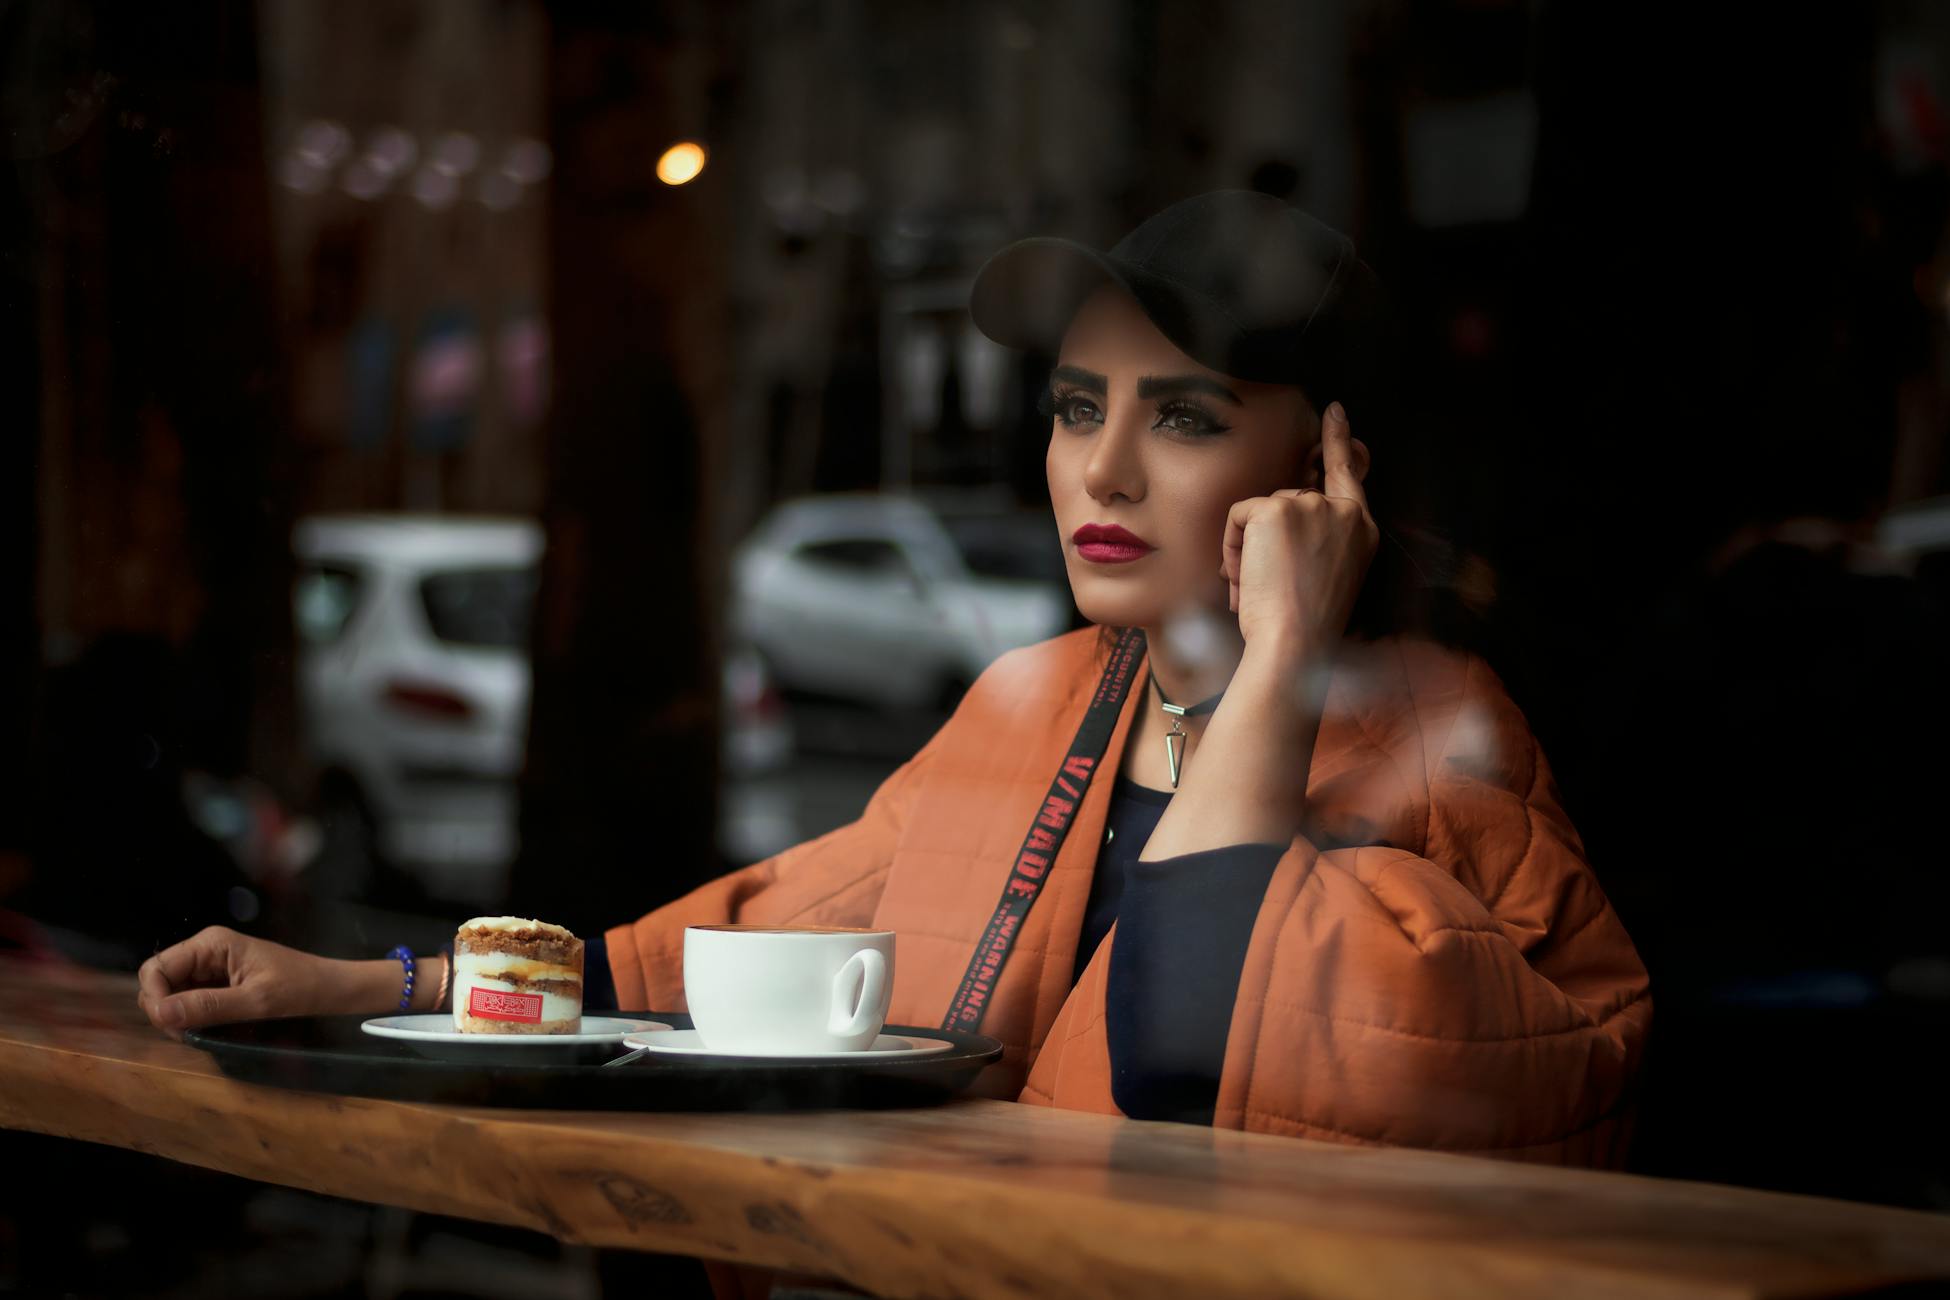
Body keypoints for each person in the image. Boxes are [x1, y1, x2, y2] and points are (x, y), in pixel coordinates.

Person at [139, 191, 1650, 1165]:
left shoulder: (1446, 746)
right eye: (1075, 409)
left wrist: (1284, 662)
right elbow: (716, 962)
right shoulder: (1046, 705)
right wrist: (355, 984)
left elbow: (1209, 1038)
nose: (1099, 468)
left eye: (1181, 419)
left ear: (1329, 465)